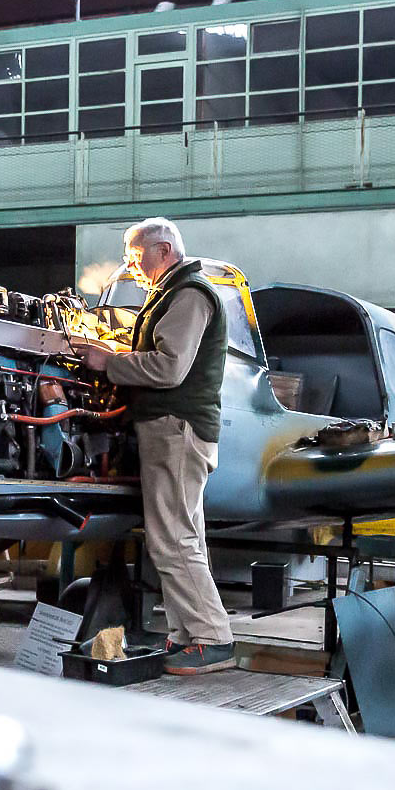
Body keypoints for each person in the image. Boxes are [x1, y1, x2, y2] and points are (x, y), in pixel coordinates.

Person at [75, 218, 235, 676]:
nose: (132, 265)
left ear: (162, 249)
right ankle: (188, 636)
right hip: (174, 429)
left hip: (175, 428)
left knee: (173, 540)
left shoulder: (189, 294)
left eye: (136, 255)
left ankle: (212, 639)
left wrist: (110, 362)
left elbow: (169, 369)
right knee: (183, 537)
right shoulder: (174, 292)